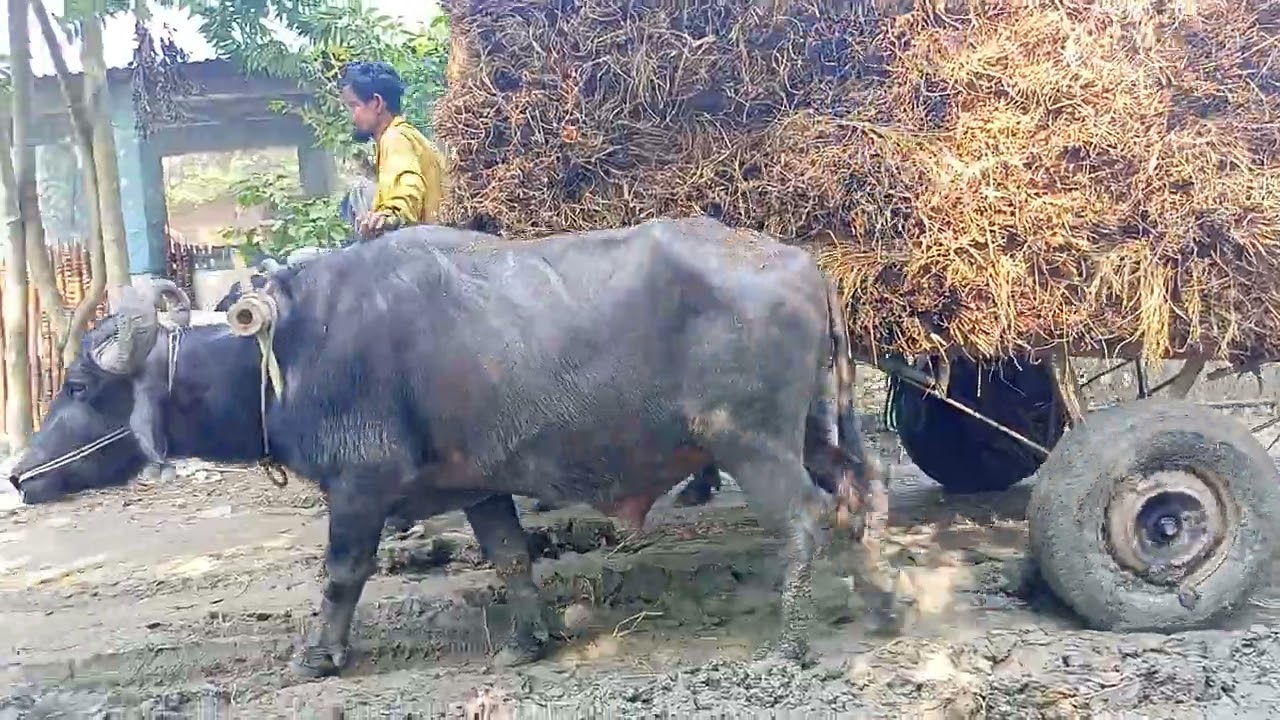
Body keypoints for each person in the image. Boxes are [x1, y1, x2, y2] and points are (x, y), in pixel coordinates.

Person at [338, 60, 447, 240]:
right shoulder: (406, 135)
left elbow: (409, 183)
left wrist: (389, 215)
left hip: (427, 252)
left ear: (377, 103)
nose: (351, 116)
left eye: (353, 105)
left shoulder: (394, 138)